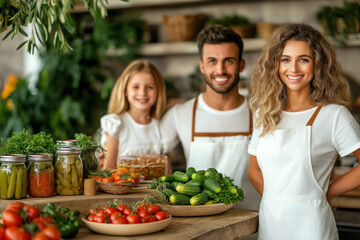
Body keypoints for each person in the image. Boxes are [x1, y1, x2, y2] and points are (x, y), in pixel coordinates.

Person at [248, 23, 360, 240]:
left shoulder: (333, 115)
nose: (294, 69)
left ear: (318, 64)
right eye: (285, 59)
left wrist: (328, 192)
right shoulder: (265, 113)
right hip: (271, 225)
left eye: (304, 60)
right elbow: (253, 171)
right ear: (275, 65)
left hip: (313, 227)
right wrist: (279, 201)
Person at [160, 25, 261, 210]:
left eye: (228, 61)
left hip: (254, 224)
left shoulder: (261, 113)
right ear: (202, 66)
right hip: (201, 225)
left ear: (241, 65)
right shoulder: (179, 114)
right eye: (212, 61)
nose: (220, 70)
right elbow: (153, 156)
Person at [100, 59, 166, 170]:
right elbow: (109, 168)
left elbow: (166, 172)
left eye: (150, 87)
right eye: (135, 87)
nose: (142, 93)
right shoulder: (116, 124)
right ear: (125, 90)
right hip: (123, 186)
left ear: (158, 91)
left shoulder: (160, 126)